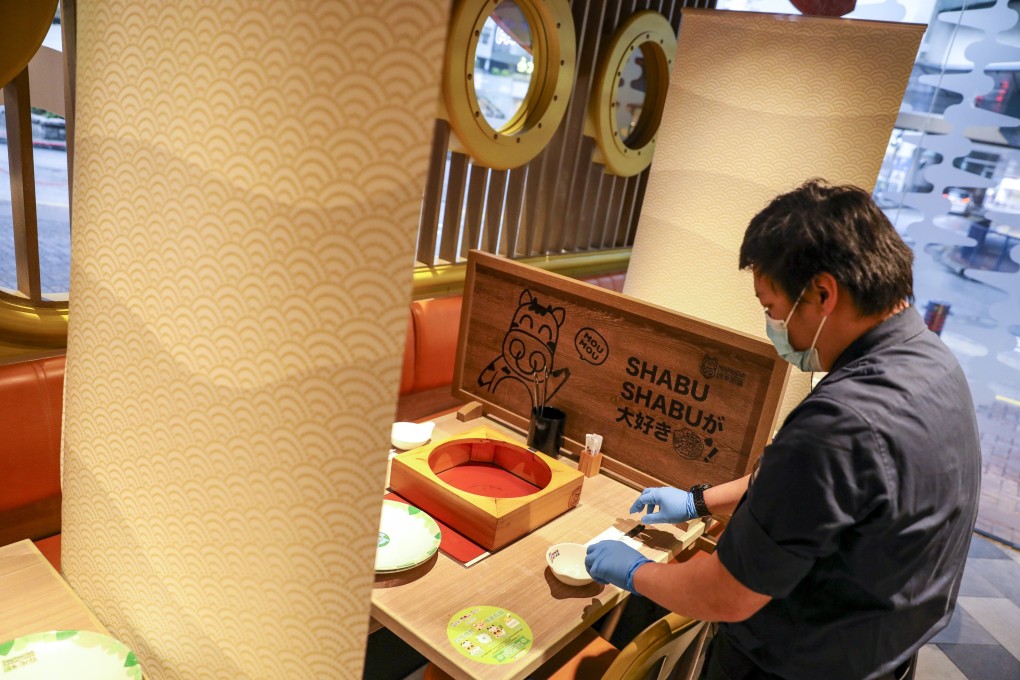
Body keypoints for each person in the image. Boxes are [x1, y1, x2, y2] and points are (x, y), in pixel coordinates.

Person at [585, 179, 982, 680]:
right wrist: (699, 501)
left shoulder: (842, 421)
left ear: (822, 293)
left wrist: (635, 571)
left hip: (797, 664)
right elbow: (816, 497)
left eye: (771, 307)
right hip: (885, 651)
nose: (773, 325)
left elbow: (725, 594)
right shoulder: (932, 361)